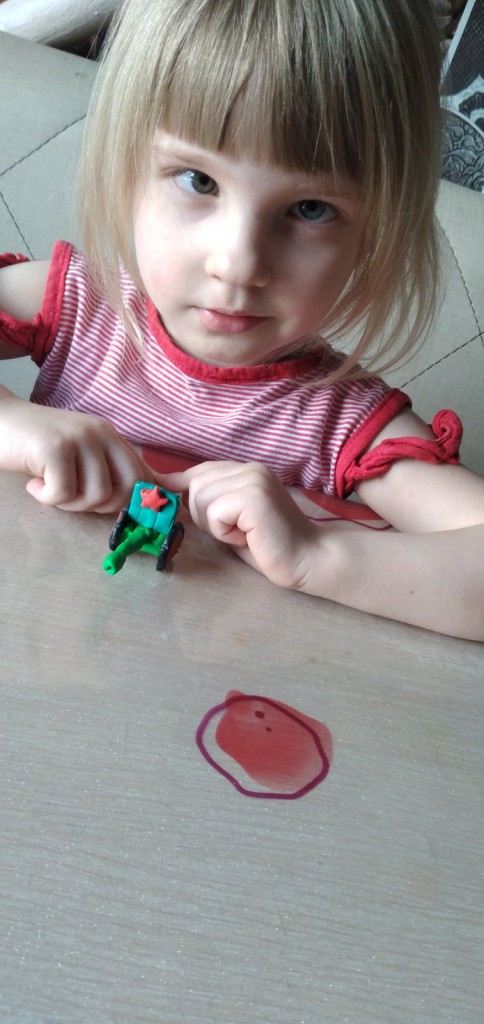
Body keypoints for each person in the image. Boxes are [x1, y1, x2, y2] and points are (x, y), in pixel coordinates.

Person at [0, 0, 483, 640]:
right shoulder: (82, 305)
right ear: (127, 166)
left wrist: (317, 553)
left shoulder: (339, 422)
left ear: (375, 232)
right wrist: (10, 422)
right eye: (198, 180)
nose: (239, 264)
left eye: (311, 208)